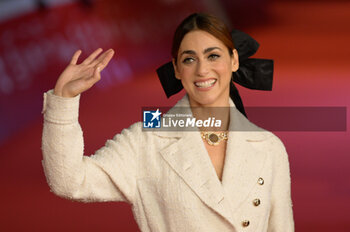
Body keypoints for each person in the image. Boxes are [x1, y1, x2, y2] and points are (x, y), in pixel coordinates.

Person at [41, 13, 294, 232]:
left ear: (234, 60)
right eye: (189, 59)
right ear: (175, 69)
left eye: (213, 56)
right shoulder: (146, 138)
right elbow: (69, 181)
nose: (203, 70)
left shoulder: (269, 147)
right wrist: (64, 100)